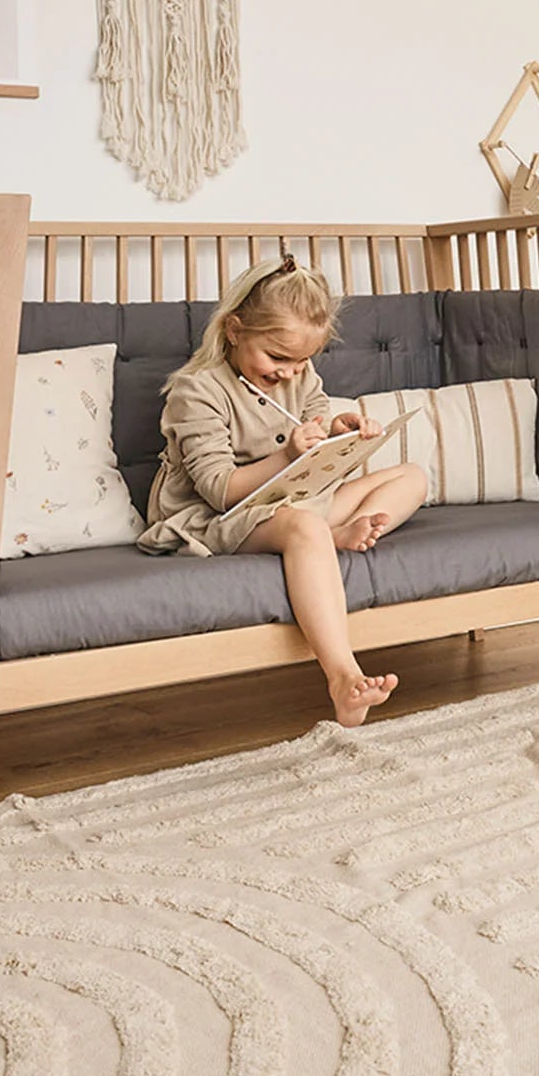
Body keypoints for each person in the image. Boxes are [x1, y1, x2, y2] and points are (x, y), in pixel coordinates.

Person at [138, 253, 427, 725]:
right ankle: (343, 677)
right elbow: (219, 490)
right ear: (234, 330)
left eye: (302, 360)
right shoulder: (198, 391)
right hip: (218, 517)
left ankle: (323, 537)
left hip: (292, 502)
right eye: (277, 358)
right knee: (302, 526)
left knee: (411, 476)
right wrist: (288, 456)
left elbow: (315, 433)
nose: (290, 372)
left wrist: (339, 432)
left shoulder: (301, 376)